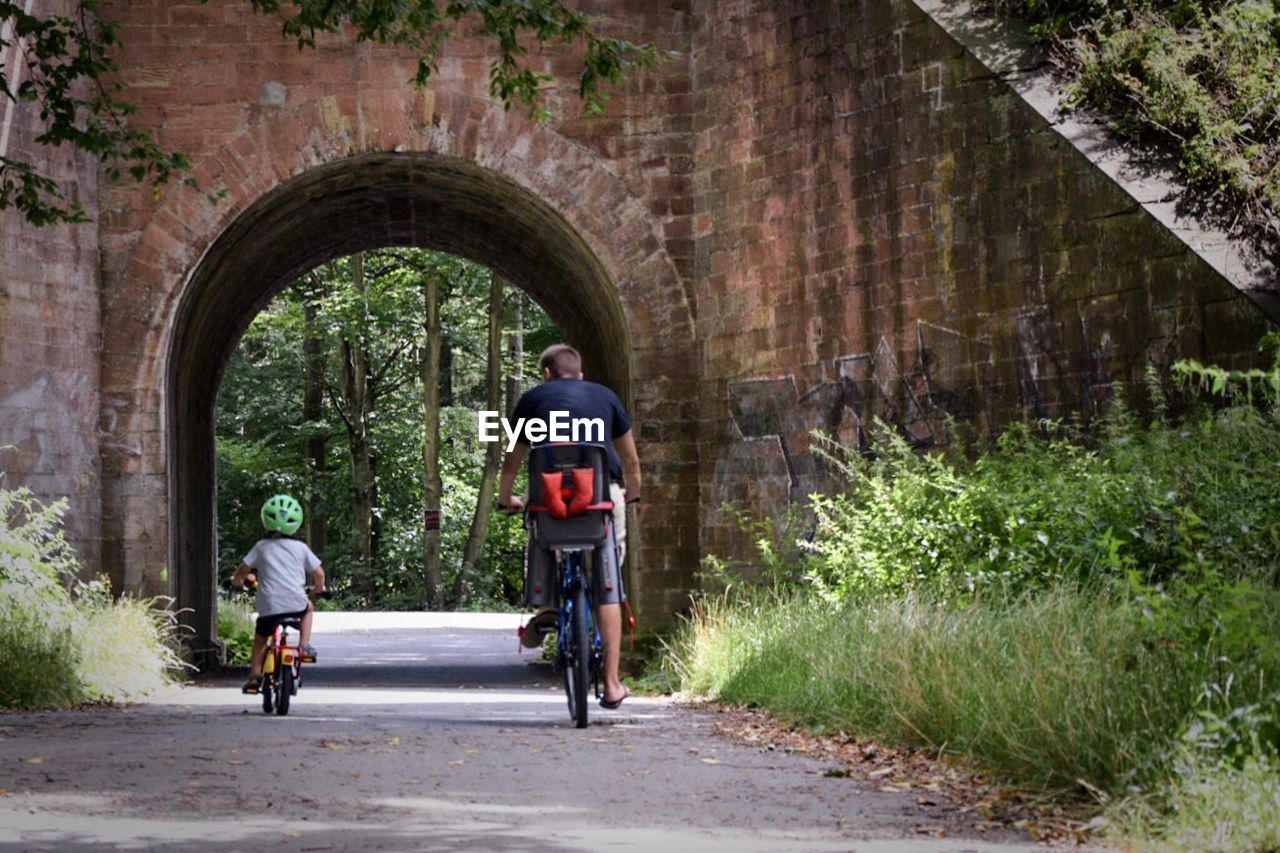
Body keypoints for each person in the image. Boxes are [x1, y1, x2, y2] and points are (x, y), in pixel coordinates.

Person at [497, 344, 642, 710]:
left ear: (547, 373)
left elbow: (514, 460)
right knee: (608, 582)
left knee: (541, 535)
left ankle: (548, 605)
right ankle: (611, 684)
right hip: (599, 500)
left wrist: (505, 497)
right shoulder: (606, 398)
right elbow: (630, 460)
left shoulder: (532, 401)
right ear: (581, 372)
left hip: (549, 501)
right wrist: (633, 495)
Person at [230, 493, 327, 694]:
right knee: (308, 608)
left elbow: (244, 569)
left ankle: (255, 677)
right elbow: (318, 572)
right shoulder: (301, 548)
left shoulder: (261, 547)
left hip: (269, 607)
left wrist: (237, 581)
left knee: (260, 640)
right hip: (296, 604)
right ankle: (304, 645)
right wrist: (319, 588)